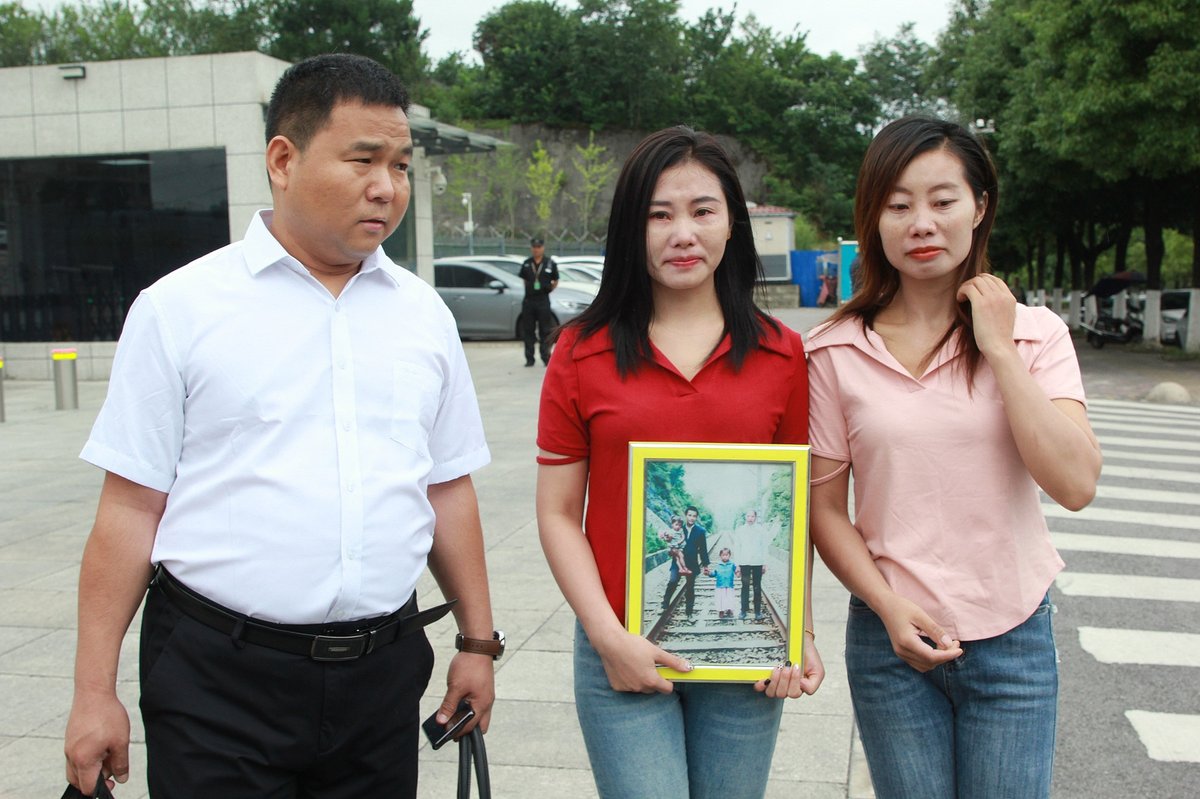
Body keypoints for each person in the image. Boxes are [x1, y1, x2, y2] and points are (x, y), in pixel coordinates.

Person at [63, 54, 502, 798]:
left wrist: (477, 642)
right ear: (283, 159)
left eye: (399, 164)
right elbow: (130, 510)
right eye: (363, 160)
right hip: (219, 678)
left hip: (381, 676)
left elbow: (447, 487)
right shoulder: (180, 308)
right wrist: (92, 691)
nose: (386, 187)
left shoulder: (422, 314)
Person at [806, 115, 1102, 799]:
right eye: (899, 203)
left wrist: (997, 347)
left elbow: (1076, 482)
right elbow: (824, 509)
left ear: (980, 207)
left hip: (1013, 639)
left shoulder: (1036, 336)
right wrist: (886, 605)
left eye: (943, 200)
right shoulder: (833, 348)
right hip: (890, 642)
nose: (922, 222)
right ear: (873, 217)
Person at [535, 125, 824, 799]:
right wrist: (607, 637)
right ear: (631, 230)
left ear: (732, 225)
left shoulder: (784, 354)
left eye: (702, 211)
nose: (681, 233)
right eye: (658, 214)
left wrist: (799, 633)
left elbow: (795, 510)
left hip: (744, 654)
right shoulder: (580, 351)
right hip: (620, 648)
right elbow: (555, 514)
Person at [662, 505, 711, 616]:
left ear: (696, 517)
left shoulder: (700, 531)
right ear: (685, 516)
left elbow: (703, 549)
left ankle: (689, 612)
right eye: (689, 515)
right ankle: (664, 605)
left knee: (690, 587)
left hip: (692, 562)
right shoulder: (679, 527)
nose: (691, 518)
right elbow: (670, 541)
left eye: (694, 516)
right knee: (673, 581)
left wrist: (705, 565)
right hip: (677, 561)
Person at [519, 236, 560, 366]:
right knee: (528, 331)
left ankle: (545, 357)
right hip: (529, 301)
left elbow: (555, 280)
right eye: (534, 247)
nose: (536, 249)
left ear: (543, 248)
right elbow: (524, 280)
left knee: (545, 330)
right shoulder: (526, 263)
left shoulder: (549, 263)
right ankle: (529, 358)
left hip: (543, 301)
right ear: (531, 248)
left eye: (539, 247)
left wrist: (547, 290)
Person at [730, 508, 770, 619]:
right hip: (744, 562)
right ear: (745, 517)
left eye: (752, 516)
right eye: (748, 516)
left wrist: (765, 563)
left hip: (758, 562)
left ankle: (757, 611)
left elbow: (764, 547)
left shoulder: (761, 530)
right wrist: (737, 564)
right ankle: (743, 610)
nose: (750, 519)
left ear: (755, 518)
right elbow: (737, 548)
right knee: (745, 586)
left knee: (757, 586)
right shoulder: (740, 530)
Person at [710, 548, 738, 619]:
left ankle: (729, 610)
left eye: (726, 555)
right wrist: (709, 573)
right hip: (720, 585)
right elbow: (714, 573)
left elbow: (737, 572)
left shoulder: (732, 564)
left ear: (729, 556)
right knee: (721, 598)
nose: (725, 556)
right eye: (723, 555)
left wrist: (739, 571)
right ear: (720, 556)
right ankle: (721, 611)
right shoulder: (718, 565)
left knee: (729, 598)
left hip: (729, 585)